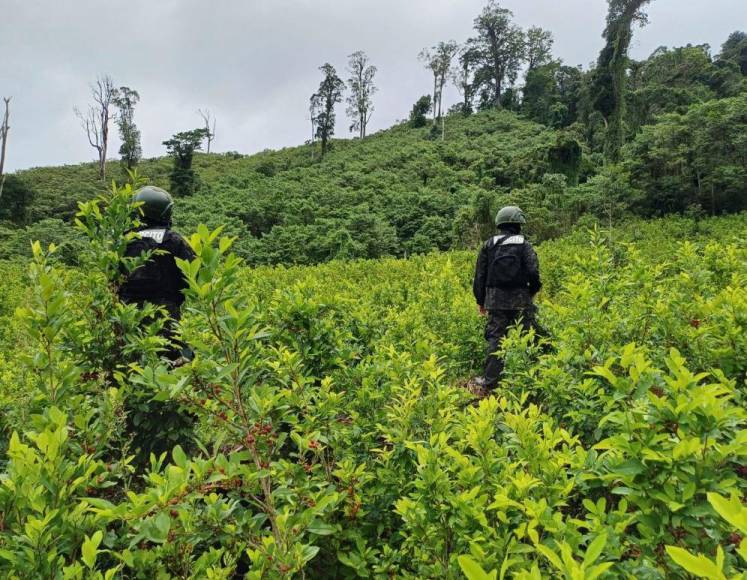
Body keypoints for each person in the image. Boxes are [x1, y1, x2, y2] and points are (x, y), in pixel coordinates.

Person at [118, 185, 195, 361]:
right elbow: (194, 276)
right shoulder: (174, 241)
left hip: (129, 316)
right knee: (172, 365)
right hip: (167, 316)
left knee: (133, 366)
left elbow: (113, 278)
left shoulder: (125, 240)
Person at [472, 205, 542, 391]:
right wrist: (532, 291)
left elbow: (480, 276)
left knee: (496, 338)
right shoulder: (524, 244)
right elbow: (533, 272)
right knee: (528, 336)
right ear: (518, 223)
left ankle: (490, 382)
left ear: (500, 223)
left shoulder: (488, 245)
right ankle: (533, 379)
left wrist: (481, 301)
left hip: (495, 299)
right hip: (521, 299)